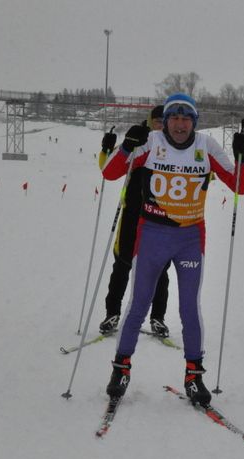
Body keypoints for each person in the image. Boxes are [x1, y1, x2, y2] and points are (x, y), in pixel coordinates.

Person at [100, 93, 244, 406]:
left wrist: (242, 157)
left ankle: (194, 376)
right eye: (174, 118)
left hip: (189, 239)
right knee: (138, 303)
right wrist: (127, 145)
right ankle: (121, 368)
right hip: (152, 235)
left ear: (194, 122)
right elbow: (110, 173)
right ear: (165, 120)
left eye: (186, 119)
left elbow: (239, 187)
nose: (180, 124)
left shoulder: (206, 147)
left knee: (189, 308)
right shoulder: (151, 141)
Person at [98, 105, 171, 338]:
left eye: (165, 121)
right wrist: (107, 148)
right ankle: (112, 314)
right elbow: (108, 170)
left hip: (162, 218)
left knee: (160, 271)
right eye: (158, 120)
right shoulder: (138, 139)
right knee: (122, 265)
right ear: (150, 122)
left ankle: (158, 319)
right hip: (132, 215)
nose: (162, 125)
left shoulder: (176, 146)